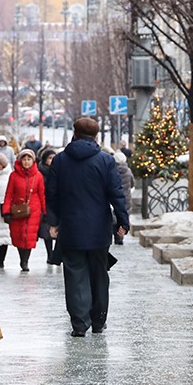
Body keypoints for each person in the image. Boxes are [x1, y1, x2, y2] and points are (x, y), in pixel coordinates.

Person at [46, 117, 129, 337]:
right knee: (99, 274)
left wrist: (54, 222)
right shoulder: (105, 161)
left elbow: (51, 194)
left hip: (71, 228)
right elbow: (116, 194)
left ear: (74, 133)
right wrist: (122, 221)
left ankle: (79, 324)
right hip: (99, 229)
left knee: (74, 275)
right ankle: (99, 321)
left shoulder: (61, 160)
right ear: (96, 136)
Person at [1, 147, 46, 272]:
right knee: (19, 235)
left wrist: (44, 211)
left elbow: (42, 194)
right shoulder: (14, 176)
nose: (26, 162)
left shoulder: (38, 176)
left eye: (29, 159)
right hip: (18, 210)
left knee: (30, 236)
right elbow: (8, 194)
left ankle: (26, 260)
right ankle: (22, 256)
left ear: (33, 161)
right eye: (24, 159)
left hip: (34, 210)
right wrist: (6, 211)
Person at [37, 148, 57, 261]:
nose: (52, 160)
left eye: (54, 158)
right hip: (45, 204)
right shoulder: (40, 173)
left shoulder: (60, 171)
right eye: (50, 158)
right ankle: (49, 254)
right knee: (46, 230)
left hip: (57, 204)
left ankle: (57, 254)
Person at [112, 150, 135, 244]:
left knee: (114, 218)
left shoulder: (112, 170)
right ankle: (121, 236)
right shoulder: (128, 171)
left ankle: (116, 235)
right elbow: (133, 183)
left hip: (115, 197)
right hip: (126, 197)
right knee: (124, 216)